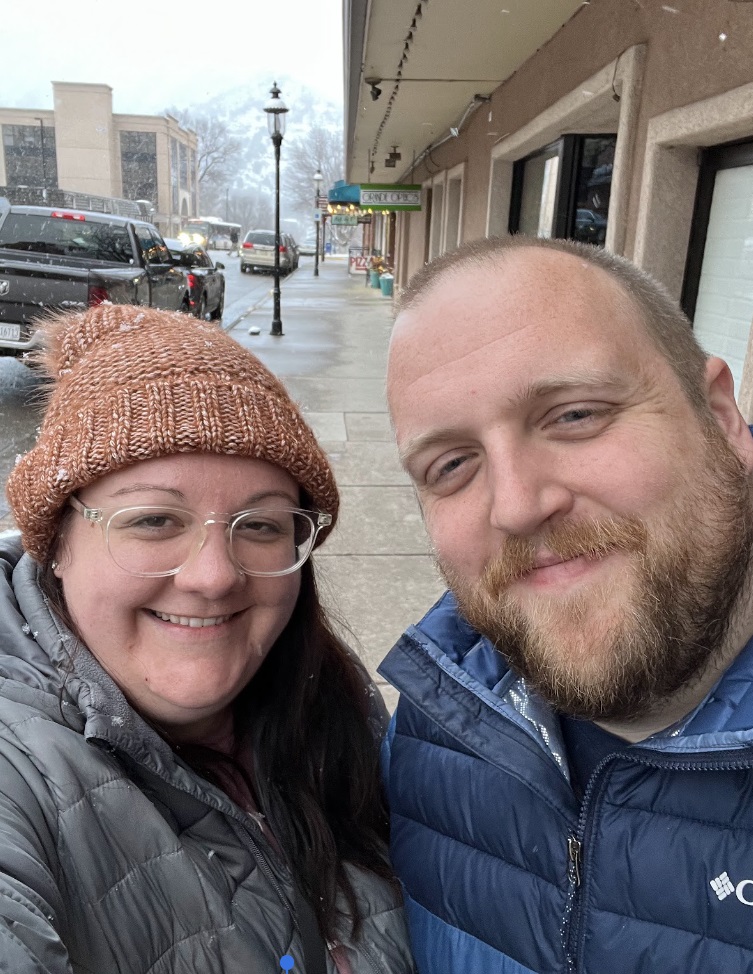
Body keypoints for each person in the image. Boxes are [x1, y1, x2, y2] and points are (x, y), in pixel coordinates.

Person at [0, 304, 413, 974]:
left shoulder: (332, 701)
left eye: (260, 526)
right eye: (155, 519)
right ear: (58, 547)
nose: (215, 576)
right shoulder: (20, 766)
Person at [380, 234, 753, 973]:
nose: (516, 505)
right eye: (451, 465)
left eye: (574, 415)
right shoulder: (436, 721)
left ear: (718, 413)